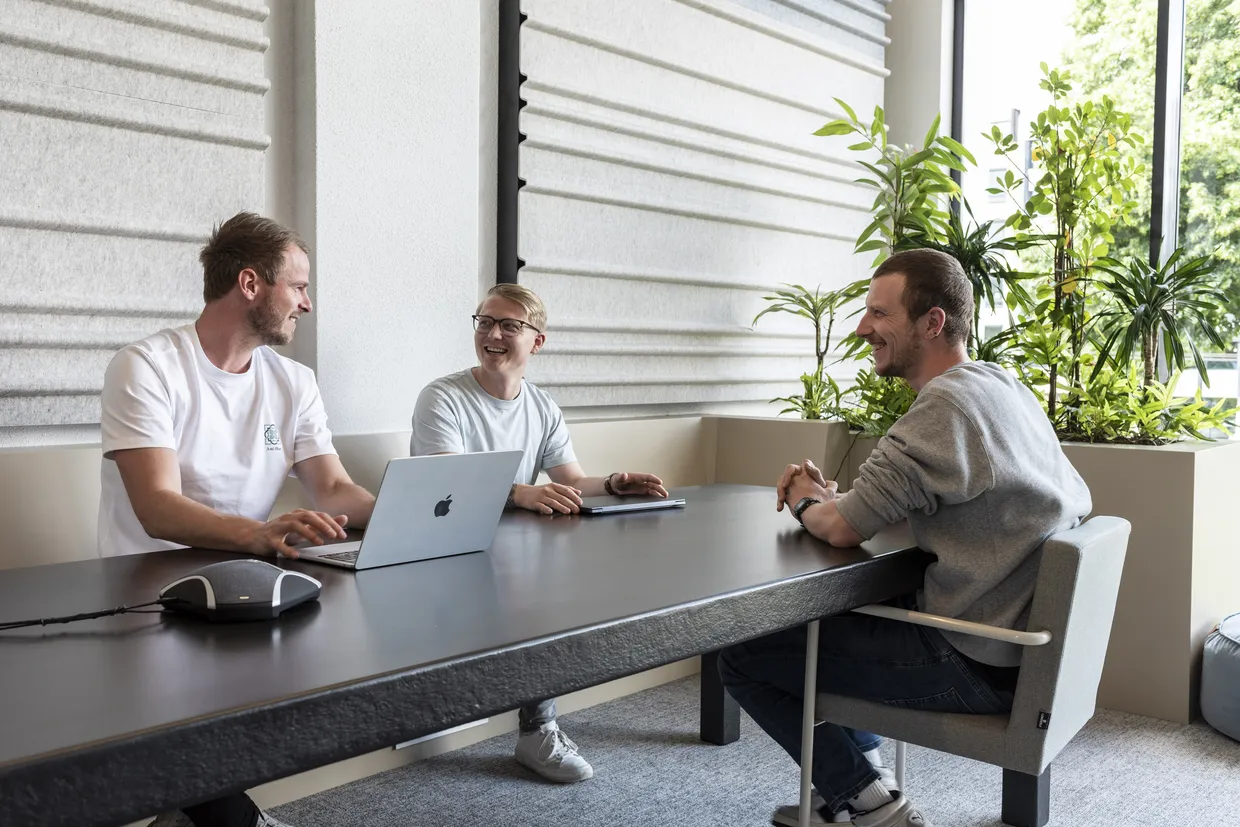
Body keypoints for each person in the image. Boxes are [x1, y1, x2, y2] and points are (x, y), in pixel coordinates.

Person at [718, 249, 1091, 827]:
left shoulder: (941, 409)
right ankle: (860, 777)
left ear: (932, 323)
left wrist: (803, 499)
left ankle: (869, 802)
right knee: (840, 618)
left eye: (879, 314)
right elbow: (944, 494)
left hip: (972, 657)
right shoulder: (998, 386)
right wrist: (841, 502)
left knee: (742, 654)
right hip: (1025, 646)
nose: (863, 327)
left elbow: (838, 530)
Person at [99, 212, 376, 827]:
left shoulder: (294, 381)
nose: (306, 303)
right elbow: (156, 505)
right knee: (193, 745)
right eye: (298, 287)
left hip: (248, 578)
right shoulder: (145, 367)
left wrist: (401, 515)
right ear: (251, 284)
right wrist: (260, 534)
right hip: (149, 592)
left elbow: (331, 486)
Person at [410, 283, 668, 783]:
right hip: (450, 549)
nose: (493, 333)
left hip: (513, 551)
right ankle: (537, 725)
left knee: (558, 589)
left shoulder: (543, 406)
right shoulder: (442, 397)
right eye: (484, 322)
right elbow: (445, 485)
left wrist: (614, 483)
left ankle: (537, 730)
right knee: (536, 592)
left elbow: (571, 480)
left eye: (510, 324)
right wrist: (521, 492)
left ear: (537, 341)